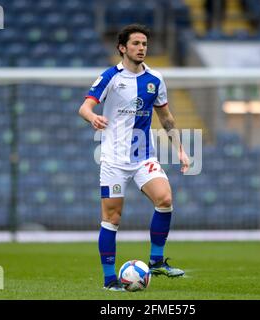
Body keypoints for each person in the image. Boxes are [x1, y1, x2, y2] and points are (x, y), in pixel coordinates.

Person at [78, 24, 190, 291]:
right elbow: (84, 106)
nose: (141, 48)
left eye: (144, 44)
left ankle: (157, 261)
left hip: (143, 156)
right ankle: (109, 280)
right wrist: (93, 117)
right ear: (122, 48)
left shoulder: (155, 79)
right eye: (136, 44)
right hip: (114, 159)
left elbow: (166, 116)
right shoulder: (110, 77)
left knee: (165, 199)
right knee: (112, 218)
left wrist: (181, 150)